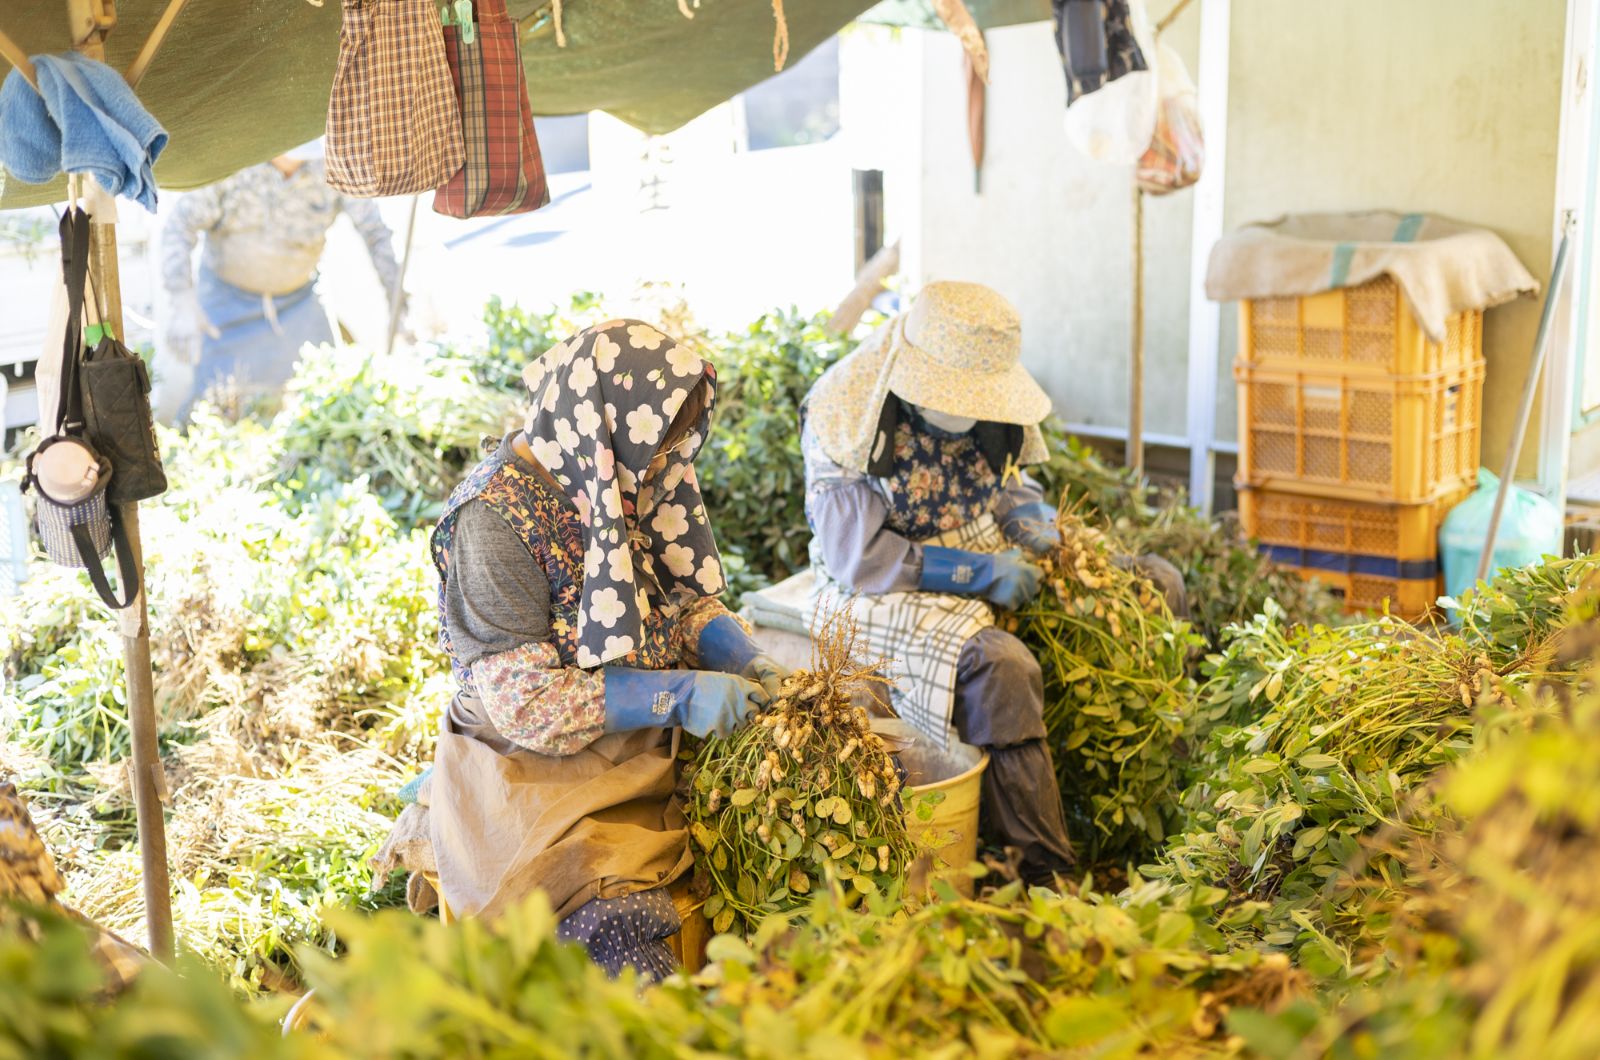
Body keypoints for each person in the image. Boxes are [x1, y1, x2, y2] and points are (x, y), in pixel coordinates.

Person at [384, 320, 787, 980]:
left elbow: (676, 600)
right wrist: (679, 695)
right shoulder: (494, 519)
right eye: (652, 448)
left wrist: (738, 651)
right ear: (603, 427)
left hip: (639, 734)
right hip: (534, 764)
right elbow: (529, 706)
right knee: (613, 920)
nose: (660, 465)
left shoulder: (614, 475)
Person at [800, 281, 1184, 889]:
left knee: (1154, 582)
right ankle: (1042, 875)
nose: (968, 409)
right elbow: (860, 559)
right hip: (880, 581)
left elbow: (1010, 490)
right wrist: (976, 573)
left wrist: (1046, 536)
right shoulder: (847, 409)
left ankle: (1154, 806)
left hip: (978, 537)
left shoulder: (991, 408)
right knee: (1002, 666)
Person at [156, 142, 403, 421]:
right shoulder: (233, 163)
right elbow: (179, 227)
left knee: (331, 399)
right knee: (214, 410)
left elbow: (376, 232)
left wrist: (399, 299)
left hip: (301, 302)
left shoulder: (335, 164)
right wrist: (182, 302)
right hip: (225, 307)